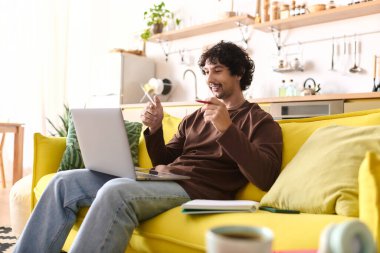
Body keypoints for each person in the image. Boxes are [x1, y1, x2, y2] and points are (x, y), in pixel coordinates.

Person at [14, 40, 283, 253]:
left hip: (198, 191)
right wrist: (154, 129)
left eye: (218, 70)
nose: (210, 77)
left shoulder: (259, 121)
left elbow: (265, 176)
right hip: (166, 181)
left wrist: (227, 129)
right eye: (206, 71)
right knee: (63, 182)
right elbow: (164, 158)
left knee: (115, 191)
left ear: (238, 73)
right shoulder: (195, 118)